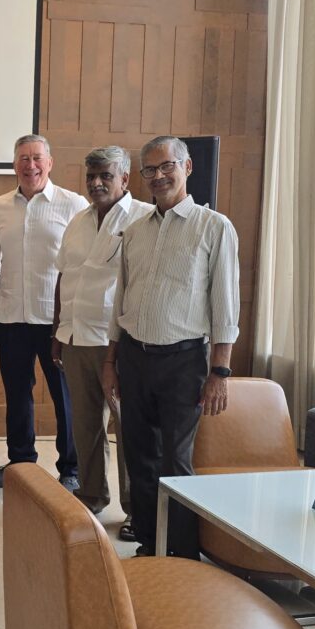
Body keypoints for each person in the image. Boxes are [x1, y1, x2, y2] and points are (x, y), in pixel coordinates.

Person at [101, 135, 240, 559]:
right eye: (150, 170)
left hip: (184, 362)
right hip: (134, 358)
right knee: (138, 458)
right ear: (140, 176)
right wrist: (111, 361)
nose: (159, 176)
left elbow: (225, 305)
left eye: (167, 167)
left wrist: (219, 372)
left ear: (187, 167)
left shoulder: (214, 227)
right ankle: (149, 541)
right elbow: (121, 298)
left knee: (175, 463)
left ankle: (180, 554)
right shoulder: (135, 230)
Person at [50, 146, 153, 542]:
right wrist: (58, 333)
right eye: (91, 175)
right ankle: (92, 495)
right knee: (86, 424)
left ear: (125, 179)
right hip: (75, 338)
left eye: (105, 176)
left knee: (128, 427)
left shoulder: (143, 219)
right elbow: (65, 278)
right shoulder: (78, 220)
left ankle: (135, 509)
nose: (96, 183)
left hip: (116, 344)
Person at [0, 135, 88, 490]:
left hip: (55, 321)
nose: (30, 165)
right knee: (17, 393)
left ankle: (71, 469)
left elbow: (82, 263)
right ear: (14, 165)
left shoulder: (73, 205)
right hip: (9, 315)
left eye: (37, 158)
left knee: (64, 396)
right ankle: (21, 462)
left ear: (50, 162)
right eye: (23, 159)